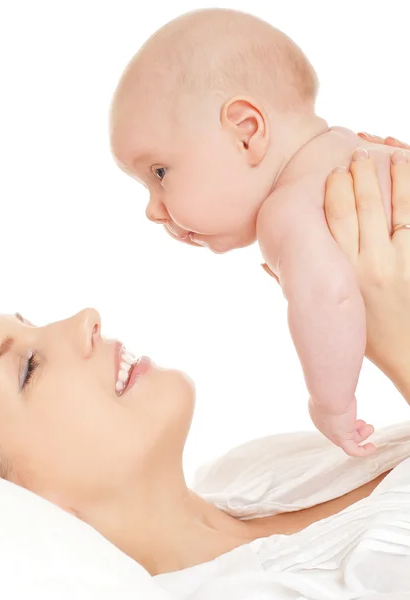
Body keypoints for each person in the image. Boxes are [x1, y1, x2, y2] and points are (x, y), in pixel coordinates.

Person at [0, 151, 410, 595]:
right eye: (27, 369)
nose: (84, 318)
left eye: (32, 325)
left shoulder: (248, 469)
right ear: (22, 502)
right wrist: (399, 338)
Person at [109, 8, 409, 457]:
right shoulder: (361, 150)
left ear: (247, 132)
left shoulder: (286, 210)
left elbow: (330, 297)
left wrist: (330, 404)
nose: (154, 209)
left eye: (159, 172)